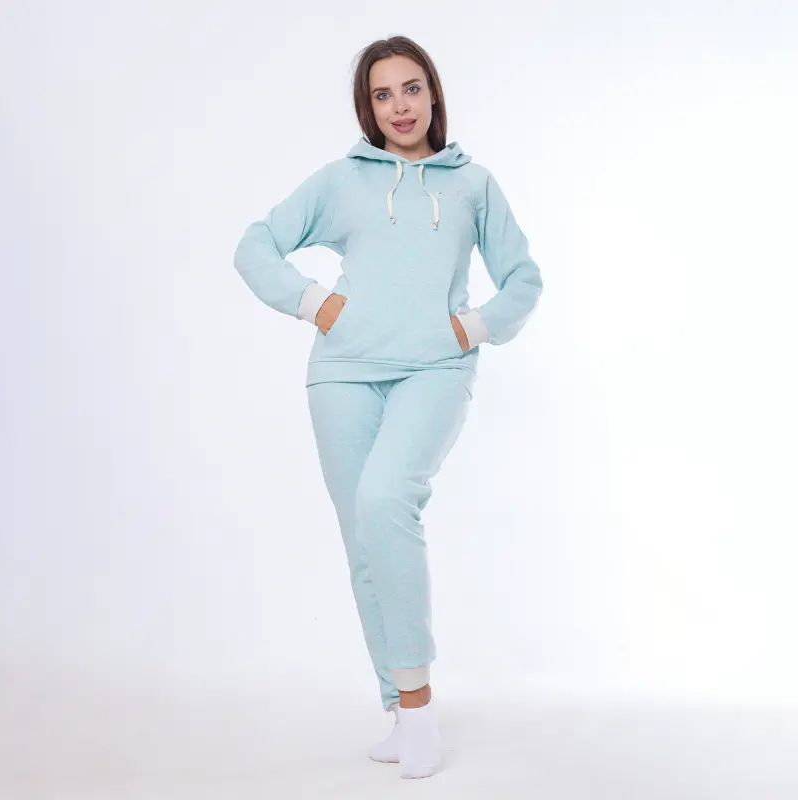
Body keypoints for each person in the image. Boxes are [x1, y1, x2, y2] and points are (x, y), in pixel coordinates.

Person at [233, 35, 543, 779]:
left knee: (386, 500)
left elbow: (524, 278)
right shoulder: (343, 180)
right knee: (364, 540)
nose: (399, 106)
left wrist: (471, 327)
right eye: (382, 95)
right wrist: (314, 302)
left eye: (410, 88)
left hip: (435, 368)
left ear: (433, 93)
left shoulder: (473, 186)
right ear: (366, 109)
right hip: (342, 373)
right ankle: (401, 711)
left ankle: (421, 709)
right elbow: (256, 245)